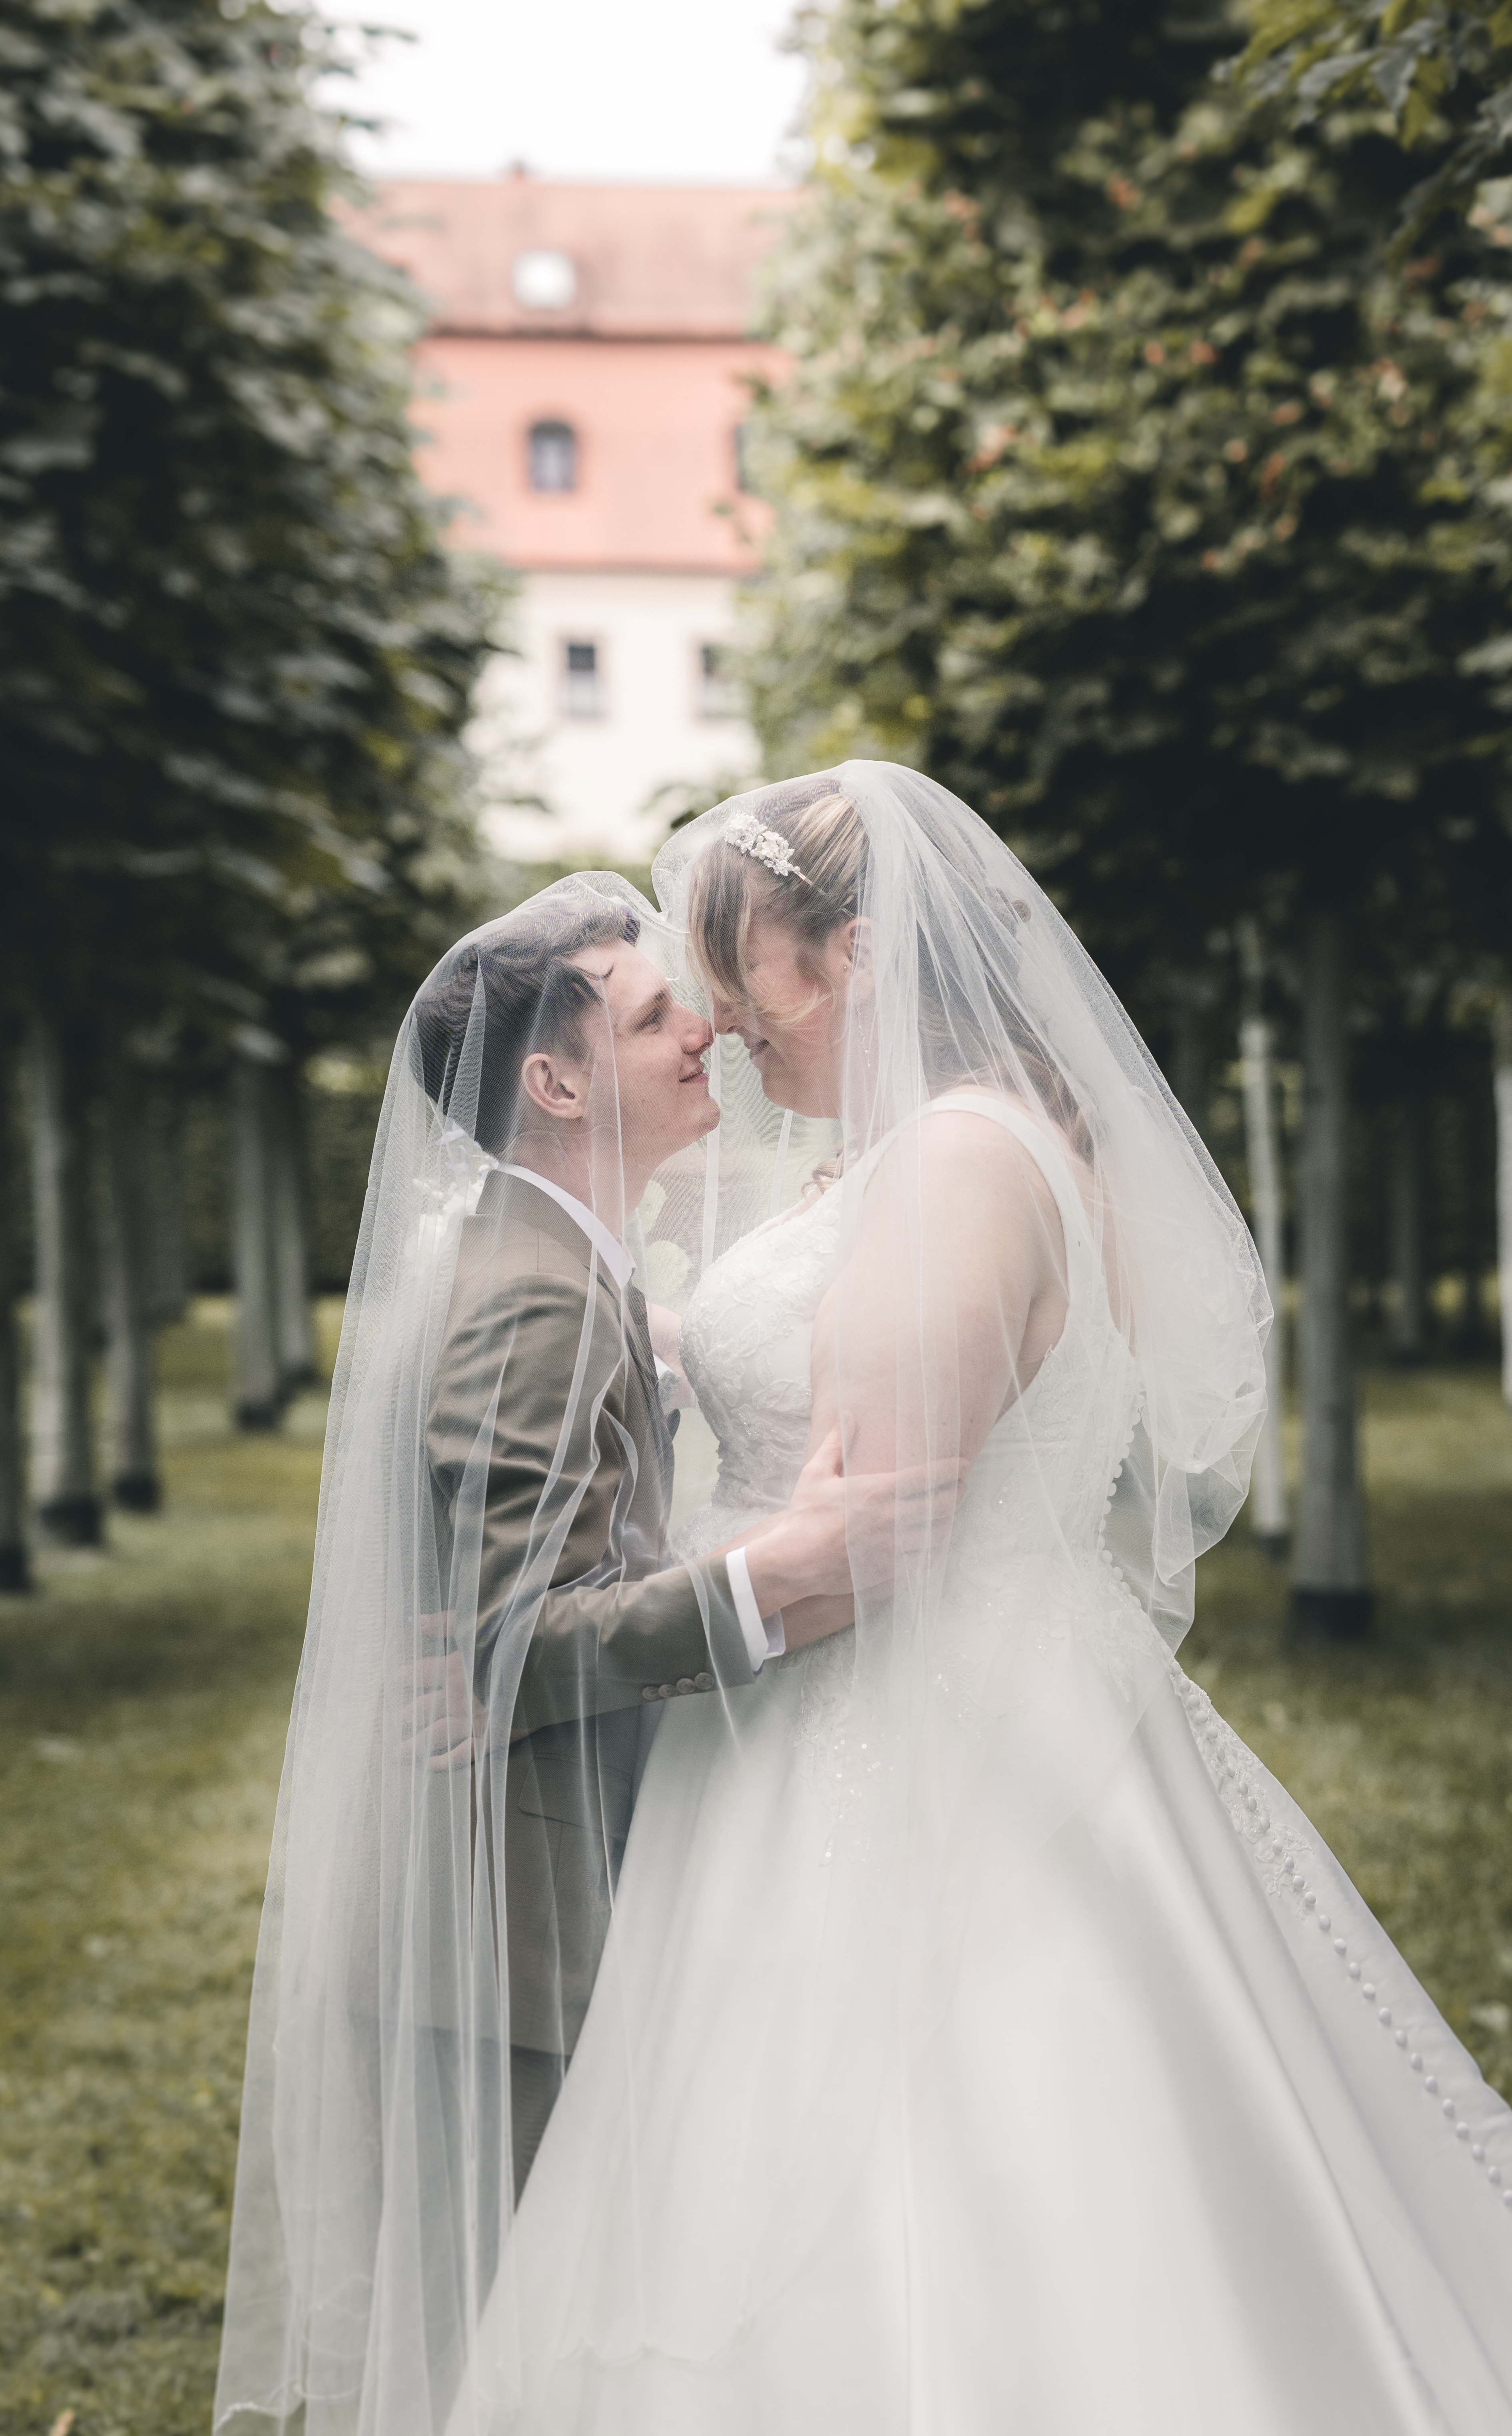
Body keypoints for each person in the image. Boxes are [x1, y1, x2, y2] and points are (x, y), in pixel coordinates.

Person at [450, 769, 1512, 2436]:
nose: (727, 1021)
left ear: (859, 954)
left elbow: (876, 1511)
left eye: (748, 974)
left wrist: (697, 1565)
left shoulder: (953, 1158)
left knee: (966, 2140)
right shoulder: (923, 1148)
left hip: (906, 1717)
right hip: (882, 1697)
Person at [214, 881, 947, 2436]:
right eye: (649, 1013)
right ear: (554, 1079)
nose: (706, 1027)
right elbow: (508, 1637)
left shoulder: (552, 1260)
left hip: (528, 1902)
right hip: (511, 1946)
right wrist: (776, 1576)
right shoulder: (531, 1297)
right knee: (508, 2360)